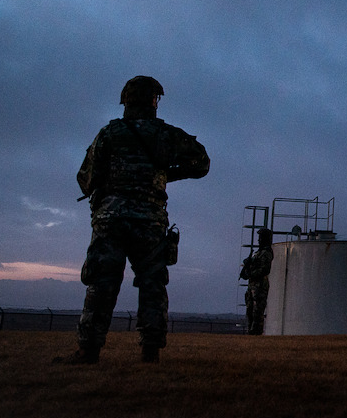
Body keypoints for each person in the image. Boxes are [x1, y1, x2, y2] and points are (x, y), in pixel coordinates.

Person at [59, 75, 210, 364]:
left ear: (125, 100)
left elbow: (85, 179)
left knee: (102, 283)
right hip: (150, 222)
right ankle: (149, 351)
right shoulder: (165, 134)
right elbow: (202, 163)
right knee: (152, 284)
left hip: (110, 219)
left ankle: (88, 350)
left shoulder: (109, 134)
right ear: (154, 101)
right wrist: (164, 174)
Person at [241, 227, 274, 335]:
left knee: (257, 311)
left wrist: (251, 273)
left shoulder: (266, 253)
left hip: (259, 286)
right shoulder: (259, 253)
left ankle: (256, 332)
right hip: (253, 285)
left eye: (261, 237)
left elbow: (265, 269)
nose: (259, 240)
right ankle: (251, 331)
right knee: (250, 309)